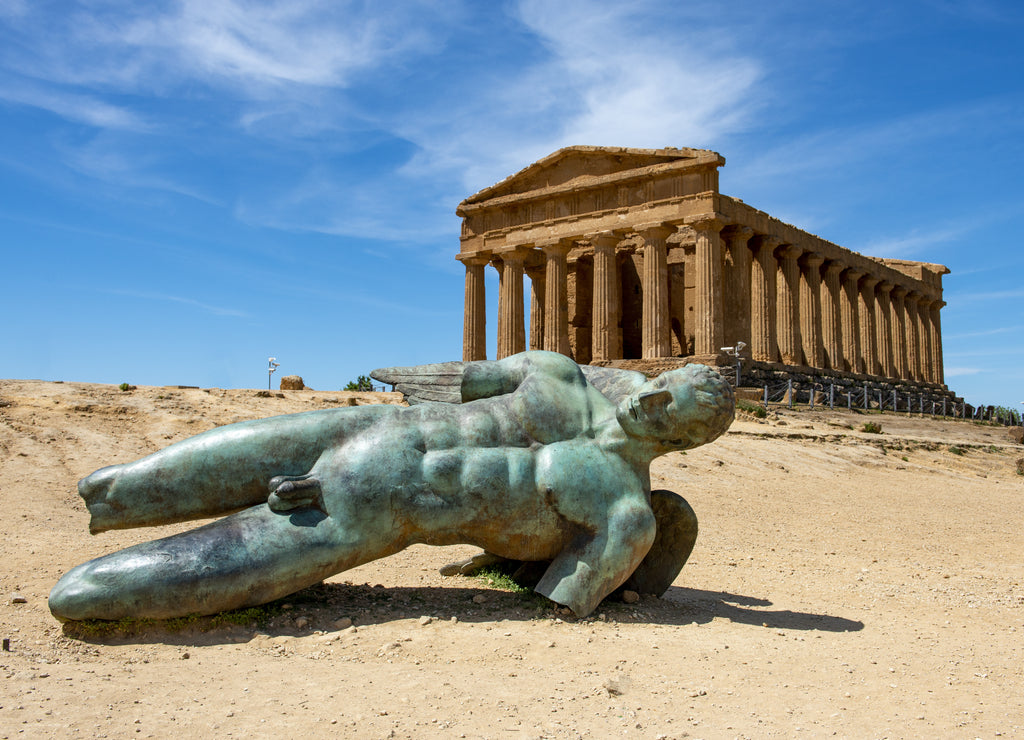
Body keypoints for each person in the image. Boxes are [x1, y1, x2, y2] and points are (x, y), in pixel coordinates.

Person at [49, 351, 733, 621]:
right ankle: (108, 500)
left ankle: (89, 597)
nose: (647, 401)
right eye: (660, 386)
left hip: (382, 508)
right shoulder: (556, 373)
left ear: (684, 442)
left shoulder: (624, 513)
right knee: (115, 487)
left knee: (84, 595)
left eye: (671, 412)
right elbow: (453, 382)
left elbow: (563, 597)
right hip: (367, 431)